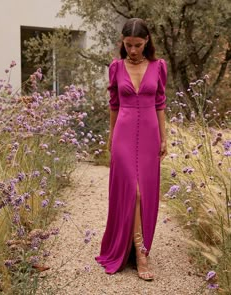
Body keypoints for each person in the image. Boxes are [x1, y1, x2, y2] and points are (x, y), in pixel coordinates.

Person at [95, 18, 167, 281]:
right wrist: (111, 136)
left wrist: (164, 137)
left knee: (144, 192)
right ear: (122, 43)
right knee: (133, 191)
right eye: (128, 45)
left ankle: (137, 246)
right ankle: (140, 253)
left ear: (146, 41)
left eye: (137, 45)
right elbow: (113, 104)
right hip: (124, 134)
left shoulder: (159, 66)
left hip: (150, 134)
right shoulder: (116, 67)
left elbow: (160, 103)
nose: (133, 50)